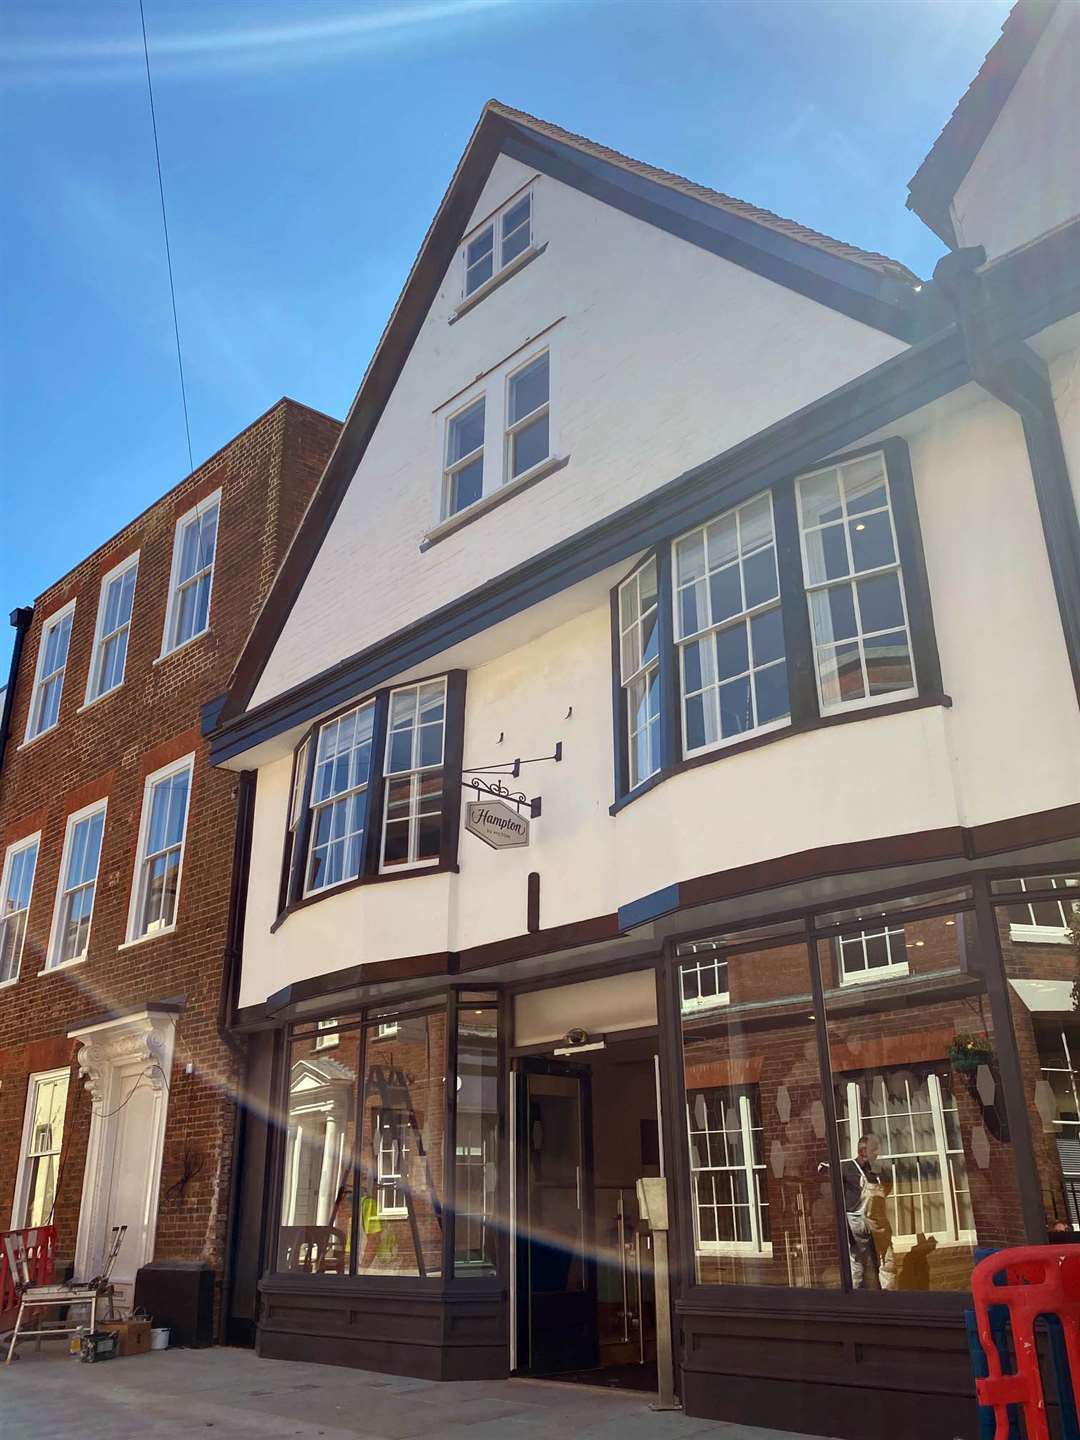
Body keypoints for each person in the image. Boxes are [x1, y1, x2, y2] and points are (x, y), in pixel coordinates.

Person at [842, 1133, 895, 1290]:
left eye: (876, 1150)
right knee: (857, 1263)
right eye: (872, 1151)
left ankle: (890, 1298)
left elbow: (887, 1189)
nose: (876, 1153)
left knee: (888, 1261)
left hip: (878, 1221)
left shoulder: (880, 1171)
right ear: (861, 1152)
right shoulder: (847, 1168)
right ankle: (854, 1298)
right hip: (856, 1221)